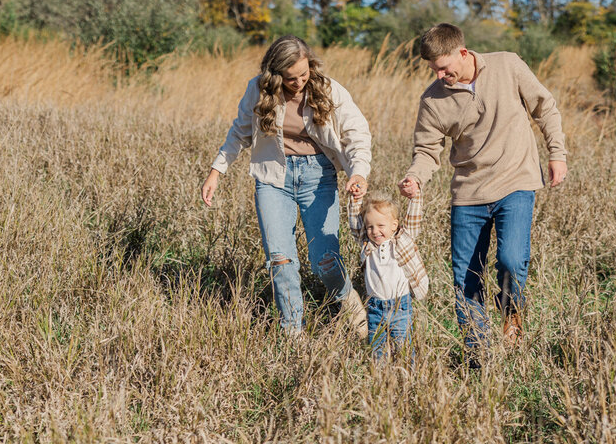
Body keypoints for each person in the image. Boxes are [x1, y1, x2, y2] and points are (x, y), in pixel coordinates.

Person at [398, 23, 567, 357]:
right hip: (468, 194)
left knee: (511, 259)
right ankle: (478, 354)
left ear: (463, 53)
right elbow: (427, 151)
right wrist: (415, 176)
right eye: (433, 69)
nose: (439, 74)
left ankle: (511, 312)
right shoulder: (433, 99)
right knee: (466, 277)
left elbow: (544, 107)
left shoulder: (507, 65)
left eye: (444, 67)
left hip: (515, 181)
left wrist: (557, 154)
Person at [201, 35, 371, 337]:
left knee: (325, 261)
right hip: (273, 180)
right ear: (275, 74)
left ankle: (348, 302)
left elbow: (357, 132)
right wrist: (216, 171)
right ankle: (293, 332)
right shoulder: (258, 89)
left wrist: (358, 172)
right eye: (290, 78)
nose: (298, 82)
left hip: (318, 176)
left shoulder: (328, 89)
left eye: (304, 75)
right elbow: (239, 130)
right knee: (280, 259)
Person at [347, 186, 429, 361]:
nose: (375, 231)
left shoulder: (402, 241)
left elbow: (414, 220)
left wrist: (415, 197)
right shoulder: (367, 245)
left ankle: (409, 377)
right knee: (378, 350)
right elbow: (355, 225)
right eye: (370, 227)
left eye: (380, 226)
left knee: (404, 348)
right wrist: (355, 200)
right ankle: (380, 379)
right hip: (375, 308)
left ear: (394, 225)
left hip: (400, 306)